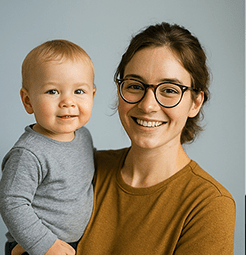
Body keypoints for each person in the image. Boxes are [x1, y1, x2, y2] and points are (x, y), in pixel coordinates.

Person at [76, 22, 236, 254]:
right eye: (135, 85)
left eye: (170, 89)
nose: (148, 105)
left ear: (196, 102)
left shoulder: (210, 204)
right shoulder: (84, 168)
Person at [0, 40, 96, 255]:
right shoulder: (29, 153)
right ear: (28, 101)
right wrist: (44, 244)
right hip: (35, 246)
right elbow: (11, 202)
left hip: (72, 244)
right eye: (53, 91)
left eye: (79, 91)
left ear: (92, 96)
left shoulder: (83, 137)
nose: (68, 102)